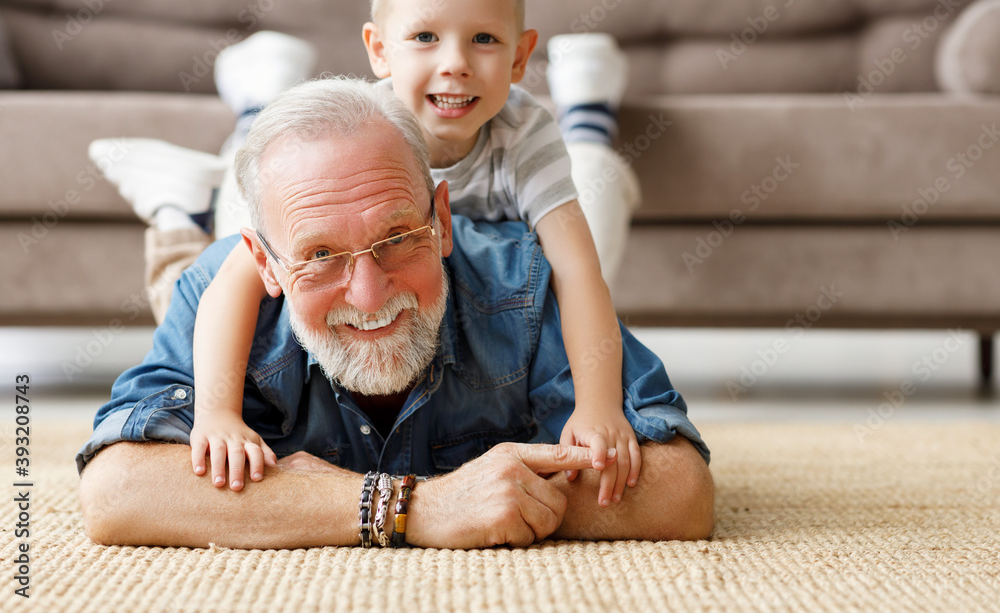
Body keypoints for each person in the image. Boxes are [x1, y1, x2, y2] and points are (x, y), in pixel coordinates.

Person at [88, 0, 643, 506]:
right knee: (199, 280)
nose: (455, 63)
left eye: (484, 40)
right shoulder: (363, 128)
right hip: (289, 263)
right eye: (425, 36)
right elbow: (241, 277)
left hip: (458, 309)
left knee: (591, 199)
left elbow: (578, 269)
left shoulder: (524, 133)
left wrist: (597, 407)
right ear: (379, 50)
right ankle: (212, 168)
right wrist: (217, 413)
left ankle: (591, 114)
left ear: (519, 57)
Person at [76, 77, 712, 549]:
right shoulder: (218, 288)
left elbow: (678, 488)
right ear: (266, 265)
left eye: (396, 238)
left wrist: (495, 498)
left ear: (441, 220)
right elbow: (118, 489)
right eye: (321, 255)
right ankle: (178, 205)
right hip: (219, 270)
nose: (370, 294)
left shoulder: (522, 280)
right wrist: (421, 508)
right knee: (177, 268)